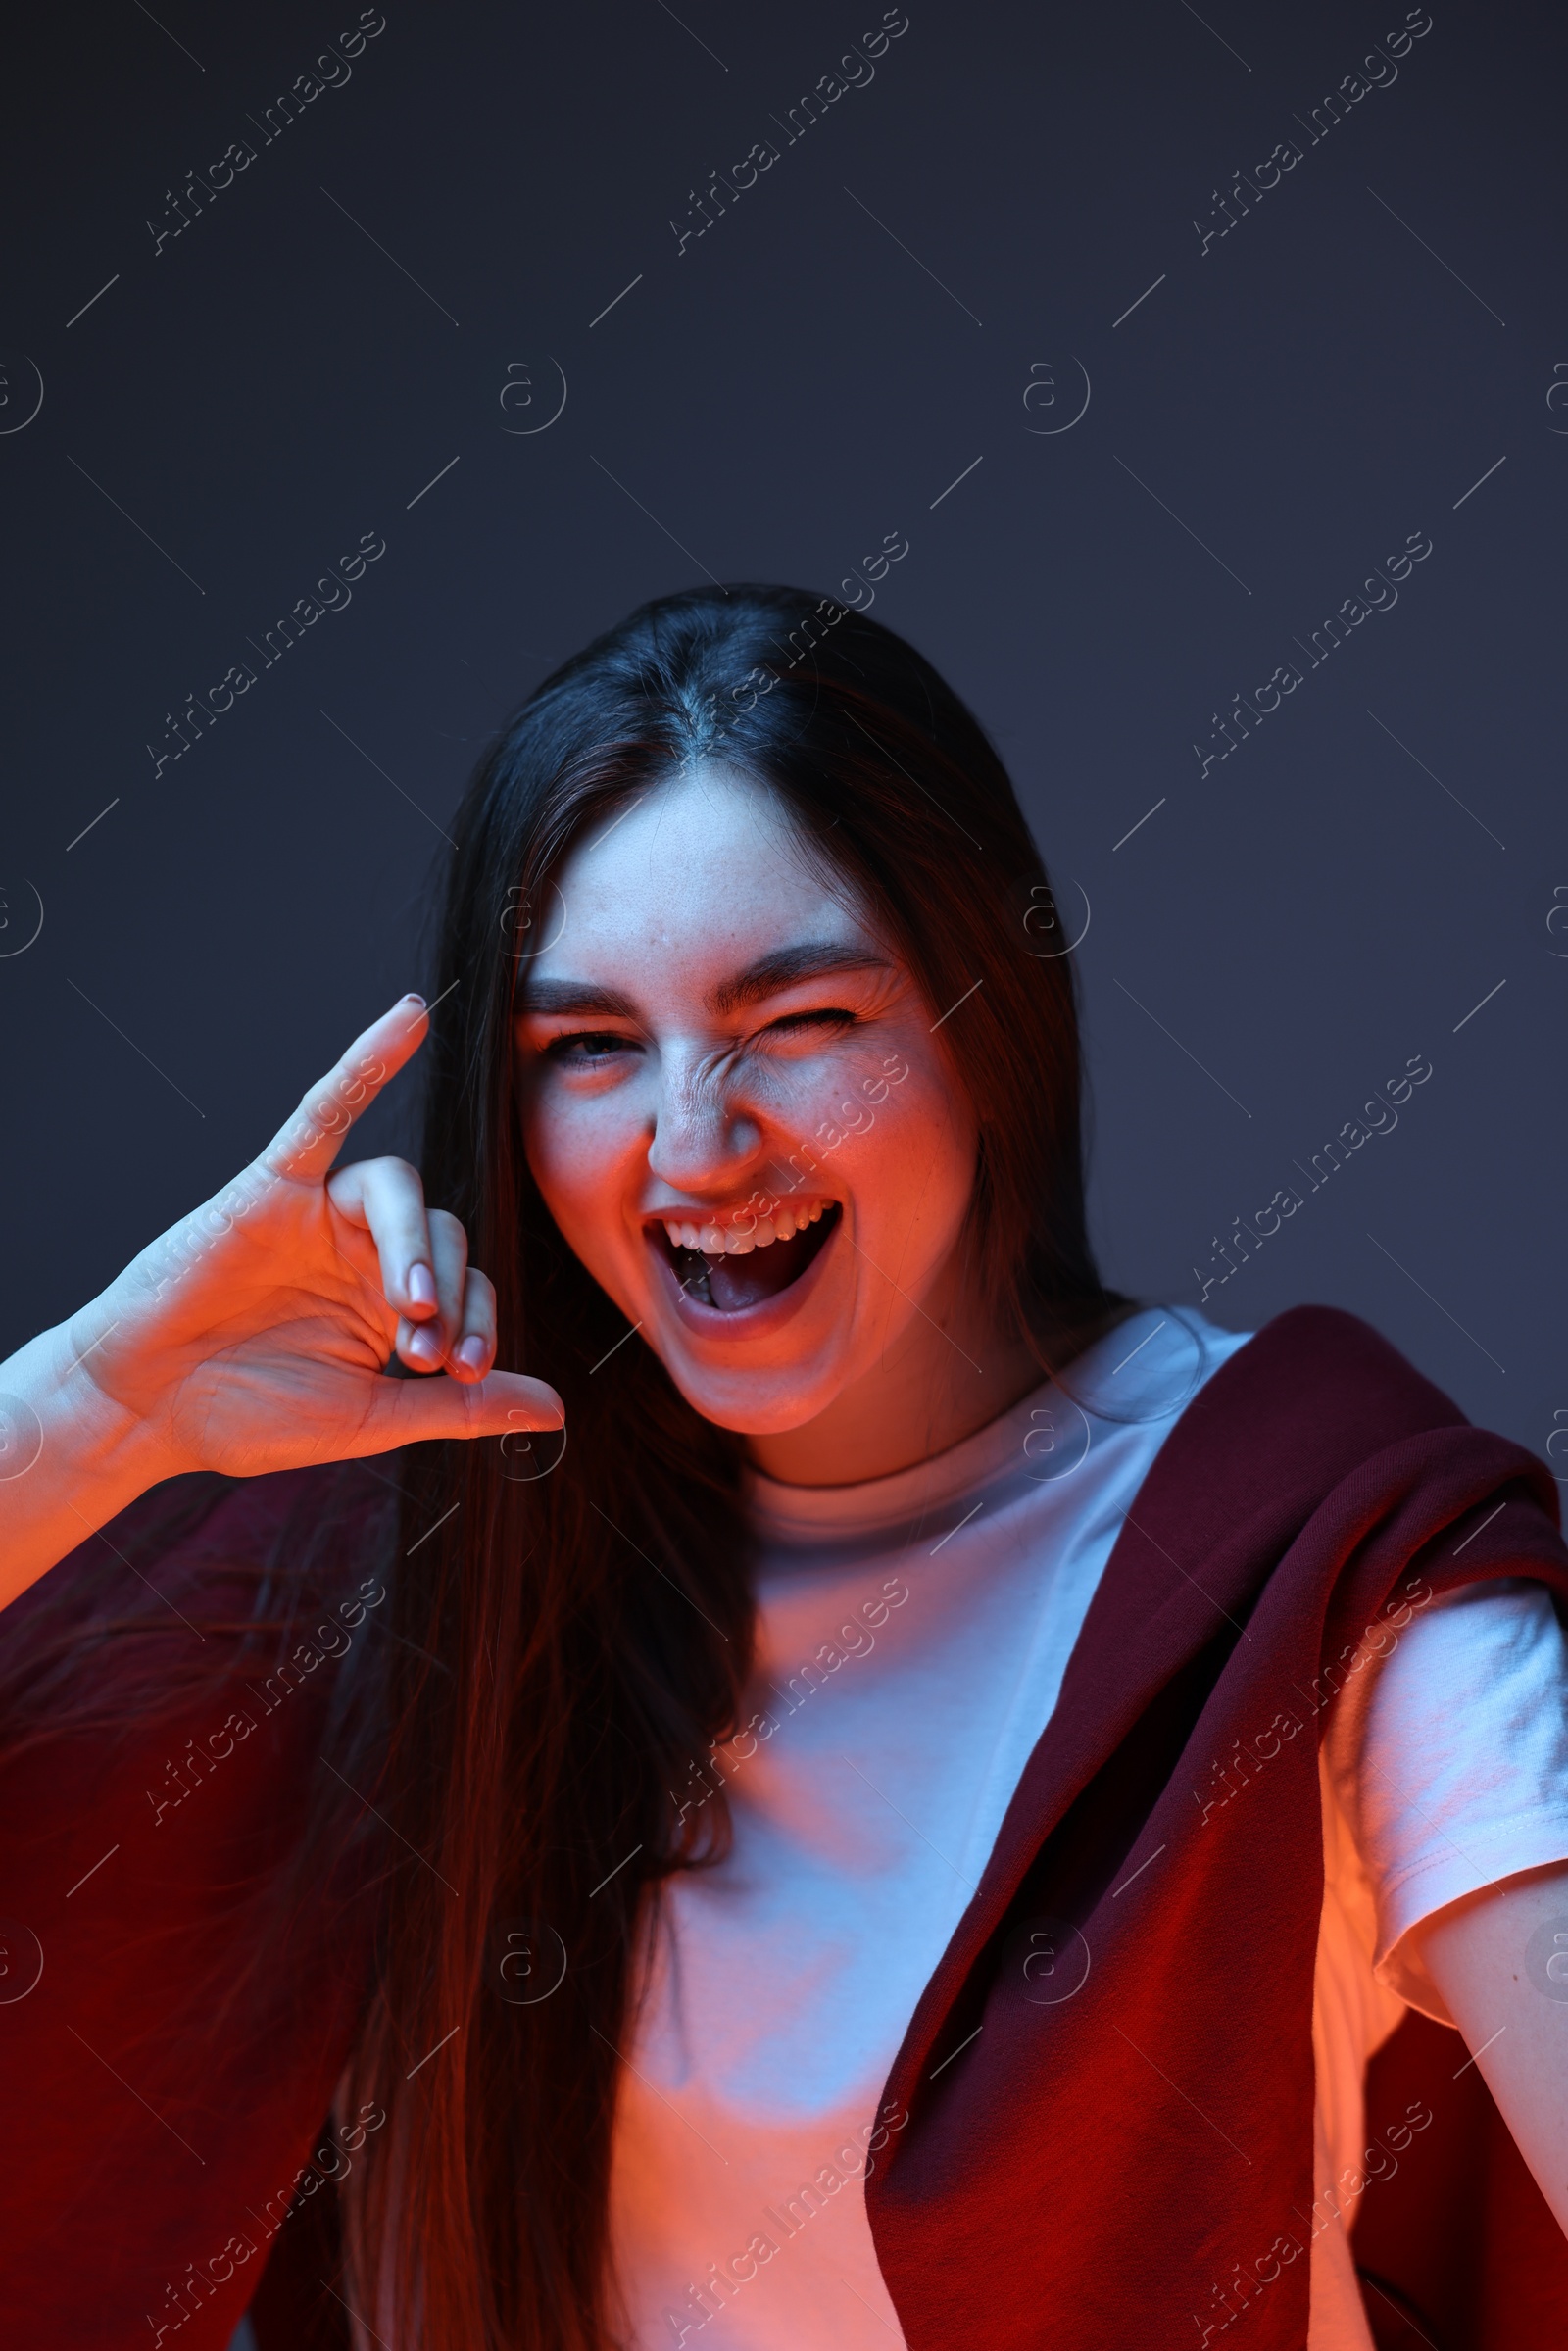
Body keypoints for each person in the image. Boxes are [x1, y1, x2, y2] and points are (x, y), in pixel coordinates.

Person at [2, 585, 1567, 2351]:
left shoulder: (1322, 1561)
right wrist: (96, 1414)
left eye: (799, 1020)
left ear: (991, 1012)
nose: (690, 1142)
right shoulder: (421, 1550)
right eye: (589, 1048)